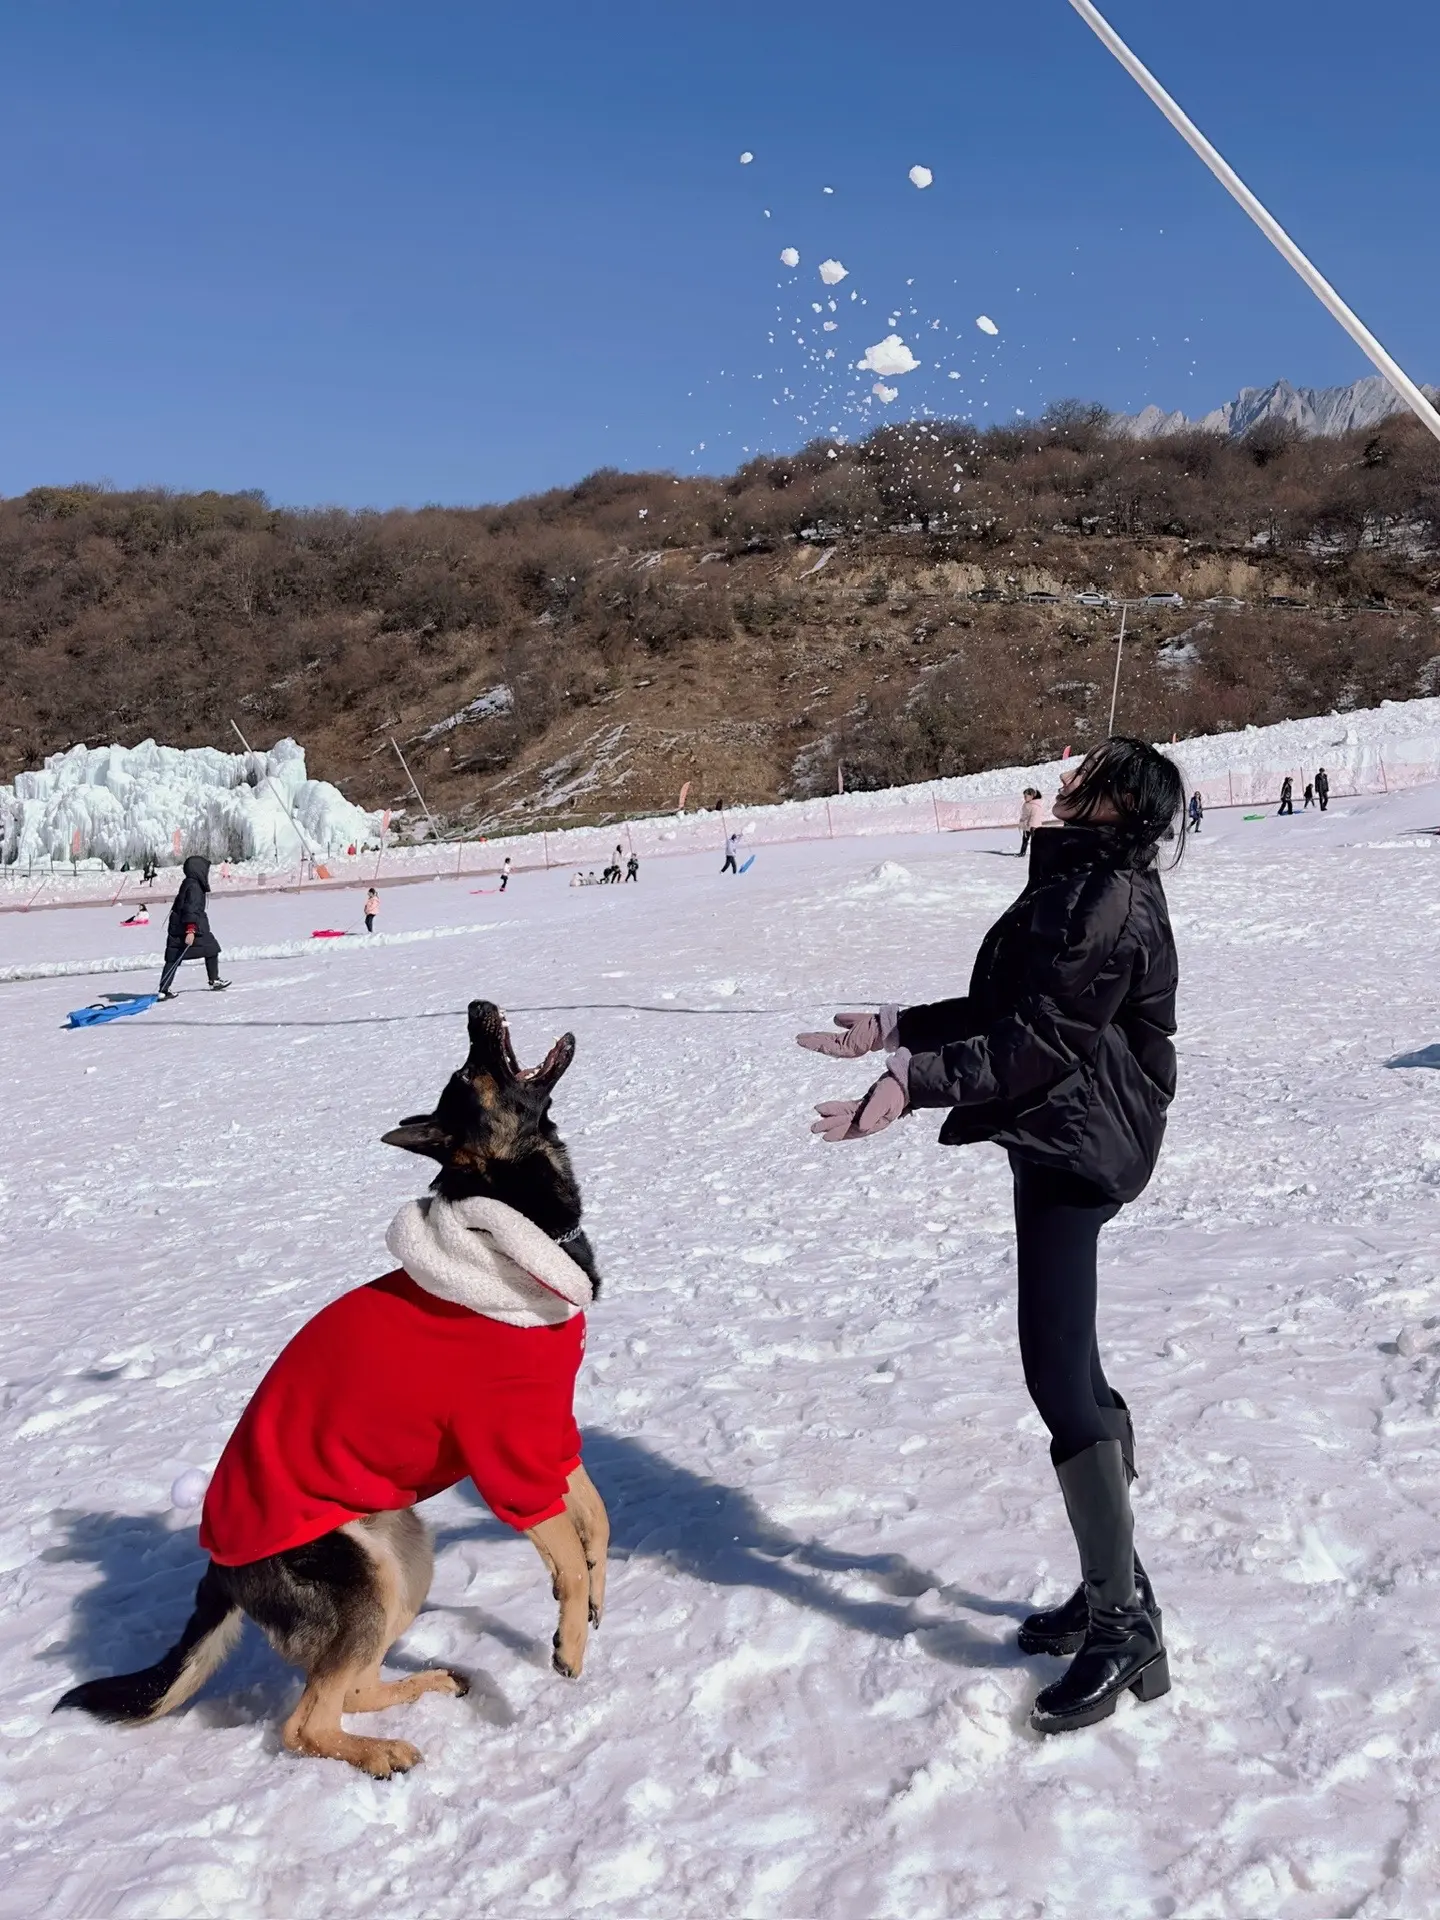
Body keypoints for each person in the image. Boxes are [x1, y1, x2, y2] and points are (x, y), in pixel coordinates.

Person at [798, 736, 1184, 1736]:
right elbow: (1011, 1008)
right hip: (1053, 1128)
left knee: (1058, 1375)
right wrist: (894, 1030)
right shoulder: (1080, 879)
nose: (1065, 784)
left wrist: (909, 1086)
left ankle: (1123, 1625)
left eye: (1087, 776)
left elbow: (1043, 1041)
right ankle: (1118, 1590)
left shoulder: (1109, 898)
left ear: (1118, 803)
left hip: (1082, 1138)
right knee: (1070, 1367)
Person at [158, 856, 229, 999]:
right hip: (191, 928)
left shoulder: (189, 883)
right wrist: (190, 930)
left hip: (179, 926)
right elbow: (190, 909)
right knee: (211, 949)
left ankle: (163, 990)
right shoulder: (195, 886)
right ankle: (214, 980)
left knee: (173, 957)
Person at [1019, 788, 1045, 857]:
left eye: (1026, 796)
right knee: (1025, 840)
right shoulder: (1027, 804)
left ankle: (1036, 854)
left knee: (1035, 841)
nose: (1024, 798)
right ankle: (1022, 852)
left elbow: (1035, 817)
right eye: (1024, 796)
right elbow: (1025, 815)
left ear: (1032, 796)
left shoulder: (1035, 805)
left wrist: (1032, 826)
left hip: (1033, 826)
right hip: (1027, 825)